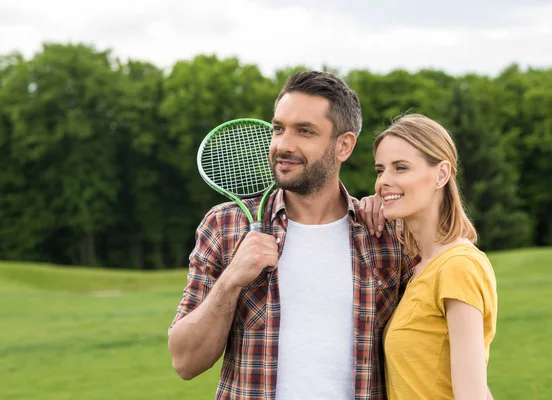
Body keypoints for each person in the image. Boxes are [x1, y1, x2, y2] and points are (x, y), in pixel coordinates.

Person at [167, 71, 413, 400]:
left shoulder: (385, 235)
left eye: (305, 131)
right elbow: (185, 361)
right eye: (278, 128)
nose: (284, 145)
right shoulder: (225, 225)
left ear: (344, 145)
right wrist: (231, 280)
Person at [363, 114, 498, 399]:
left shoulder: (458, 265)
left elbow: (471, 395)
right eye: (380, 170)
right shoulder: (417, 267)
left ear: (441, 174)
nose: (383, 181)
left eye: (400, 168)